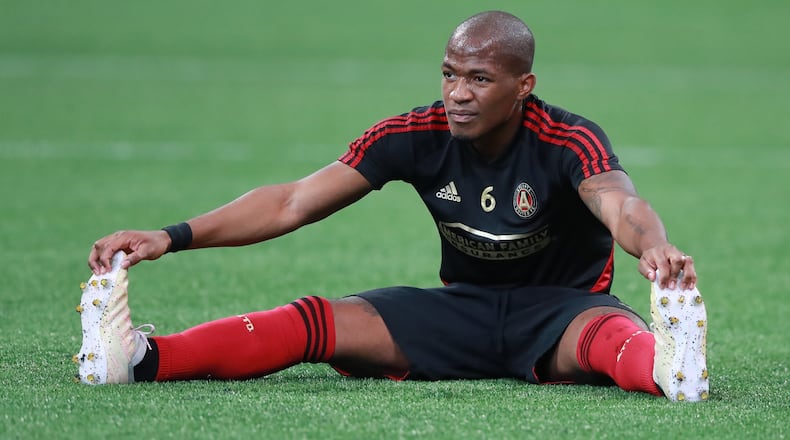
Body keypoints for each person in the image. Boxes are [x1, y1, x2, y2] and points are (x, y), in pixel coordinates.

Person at [76, 10, 709, 402]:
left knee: (612, 341)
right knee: (315, 321)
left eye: (480, 79)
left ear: (524, 86)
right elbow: (293, 202)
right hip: (460, 311)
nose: (458, 93)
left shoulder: (568, 138)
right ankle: (140, 360)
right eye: (450, 73)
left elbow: (620, 204)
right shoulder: (414, 134)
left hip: (564, 311)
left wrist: (653, 247)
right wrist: (171, 235)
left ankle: (668, 369)